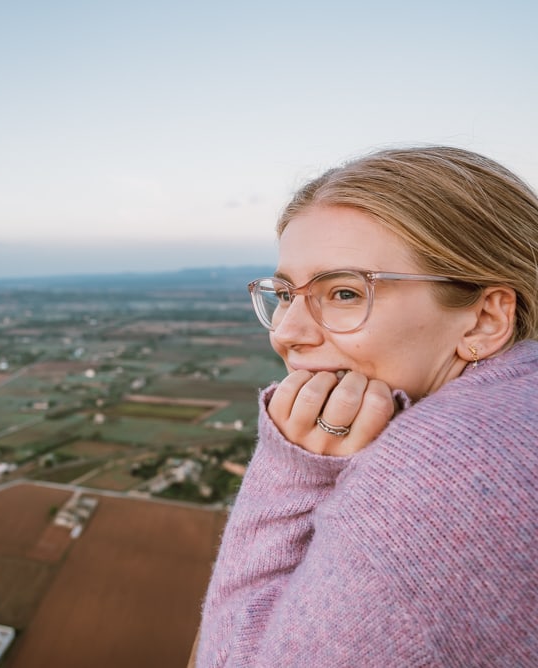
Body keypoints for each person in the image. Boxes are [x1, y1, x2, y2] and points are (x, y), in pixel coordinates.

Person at [193, 146, 538, 667]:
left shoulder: (435, 472)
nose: (286, 333)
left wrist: (291, 473)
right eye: (285, 294)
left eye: (346, 293)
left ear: (485, 319)